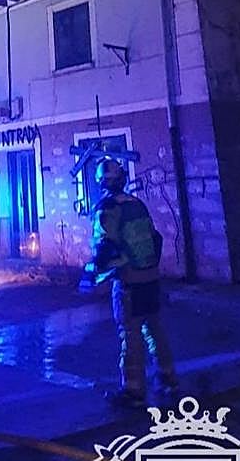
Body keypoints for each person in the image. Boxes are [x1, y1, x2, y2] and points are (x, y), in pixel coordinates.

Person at [89, 156, 177, 409]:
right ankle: (168, 376)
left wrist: (95, 273)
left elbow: (105, 247)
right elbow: (155, 238)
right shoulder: (137, 204)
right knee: (154, 328)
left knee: (130, 333)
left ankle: (133, 389)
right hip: (150, 277)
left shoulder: (107, 208)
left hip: (128, 281)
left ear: (101, 183)